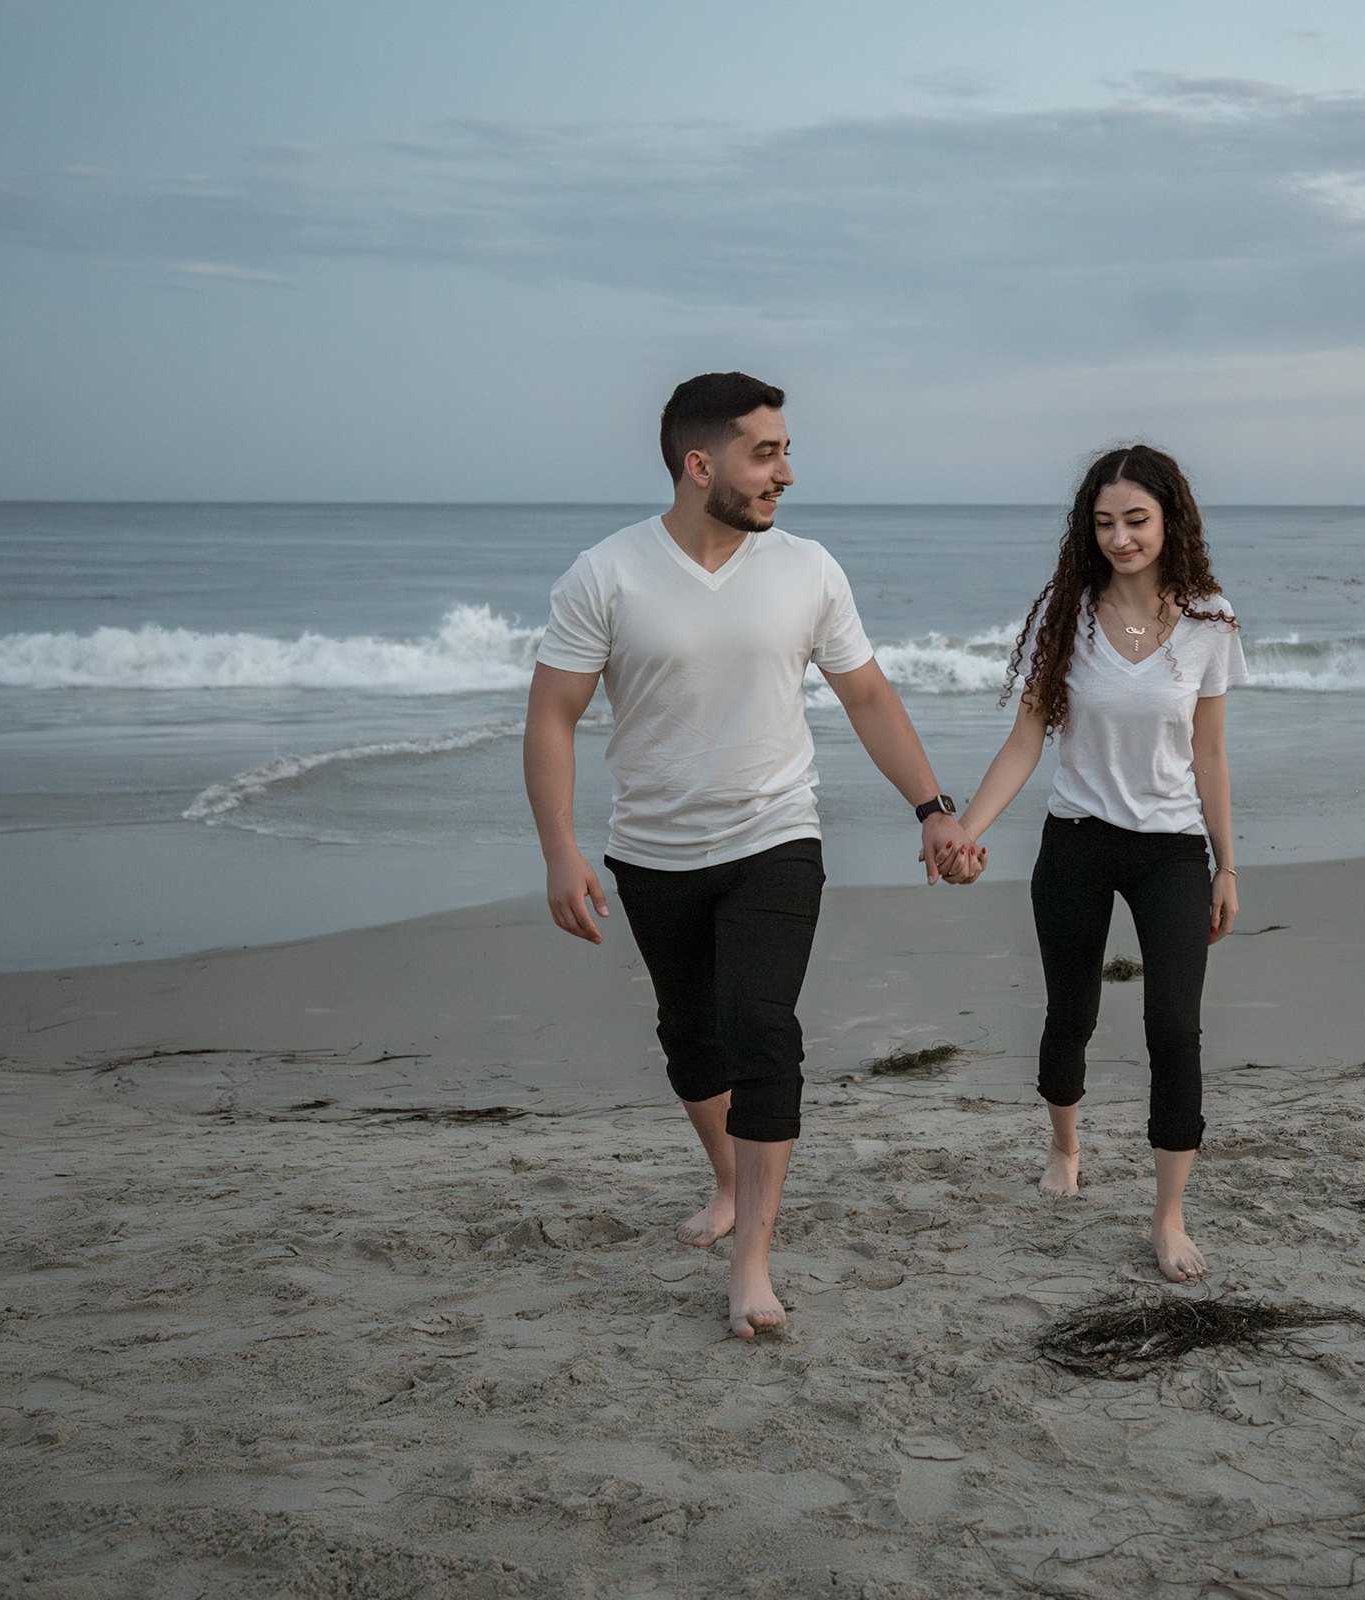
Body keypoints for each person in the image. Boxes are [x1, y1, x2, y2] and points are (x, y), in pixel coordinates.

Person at [521, 372, 982, 1339]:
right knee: (690, 1035)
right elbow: (553, 717)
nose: (786, 472)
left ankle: (752, 1263)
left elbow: (867, 697)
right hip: (651, 851)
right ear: (701, 465)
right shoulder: (604, 575)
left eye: (784, 450)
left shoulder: (809, 569)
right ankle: (731, 1182)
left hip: (776, 835)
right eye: (765, 454)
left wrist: (933, 808)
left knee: (761, 1027)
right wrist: (561, 853)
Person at [952, 444, 1246, 1283]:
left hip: (1171, 851)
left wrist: (1226, 866)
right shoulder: (1070, 618)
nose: (1121, 537)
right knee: (1070, 1011)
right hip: (1077, 840)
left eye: (1137, 520)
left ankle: (1168, 1216)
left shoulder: (1209, 623)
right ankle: (1065, 1148)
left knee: (1174, 1030)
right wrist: (967, 828)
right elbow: (1024, 741)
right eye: (1106, 522)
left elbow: (1212, 754)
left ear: (1170, 520)